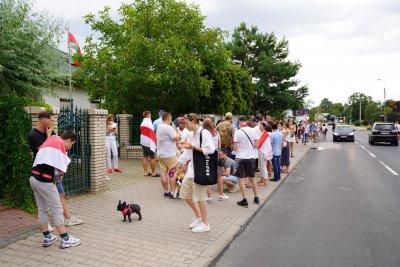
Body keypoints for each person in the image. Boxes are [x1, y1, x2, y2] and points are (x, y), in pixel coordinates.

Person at [28, 110, 83, 228]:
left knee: (60, 193)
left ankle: (67, 218)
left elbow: (57, 147)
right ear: (44, 119)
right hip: (43, 172)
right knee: (46, 203)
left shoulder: (50, 130)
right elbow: (46, 151)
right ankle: (49, 226)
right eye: (51, 120)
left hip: (55, 170)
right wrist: (48, 136)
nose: (53, 123)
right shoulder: (33, 135)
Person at [30, 130, 81, 248]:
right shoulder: (59, 145)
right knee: (57, 210)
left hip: (34, 178)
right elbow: (61, 170)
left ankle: (47, 237)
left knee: (42, 209)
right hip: (45, 181)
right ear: (68, 140)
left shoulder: (51, 140)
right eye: (71, 144)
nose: (69, 147)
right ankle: (65, 239)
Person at [172, 113, 215, 233]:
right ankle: (198, 217)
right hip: (191, 170)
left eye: (187, 123)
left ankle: (205, 224)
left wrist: (194, 148)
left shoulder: (204, 133)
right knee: (185, 193)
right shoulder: (191, 134)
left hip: (200, 169)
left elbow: (211, 149)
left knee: (201, 197)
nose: (185, 126)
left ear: (193, 121)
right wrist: (176, 165)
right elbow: (186, 153)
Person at [234, 115, 260, 208]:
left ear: (240, 121)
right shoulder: (253, 130)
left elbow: (235, 147)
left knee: (241, 178)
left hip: (239, 157)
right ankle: (256, 197)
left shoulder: (237, 132)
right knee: (252, 178)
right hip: (251, 157)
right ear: (246, 121)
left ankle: (245, 200)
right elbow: (256, 145)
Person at [203, 118, 228, 201]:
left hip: (208, 156)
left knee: (208, 175)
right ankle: (221, 195)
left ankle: (209, 196)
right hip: (216, 155)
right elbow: (219, 146)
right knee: (219, 176)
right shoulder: (216, 133)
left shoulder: (204, 133)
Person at [157, 112, 180, 199]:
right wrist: (177, 132)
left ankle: (165, 191)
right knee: (173, 172)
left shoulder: (159, 127)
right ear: (169, 118)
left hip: (160, 153)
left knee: (163, 172)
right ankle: (173, 192)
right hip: (169, 153)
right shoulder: (168, 128)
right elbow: (176, 138)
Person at [140, 110, 159, 177]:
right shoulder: (148, 121)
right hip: (148, 142)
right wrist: (154, 140)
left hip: (143, 141)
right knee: (152, 157)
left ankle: (146, 172)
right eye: (150, 114)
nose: (151, 116)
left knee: (145, 157)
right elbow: (151, 132)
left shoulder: (143, 122)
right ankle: (153, 173)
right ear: (148, 115)